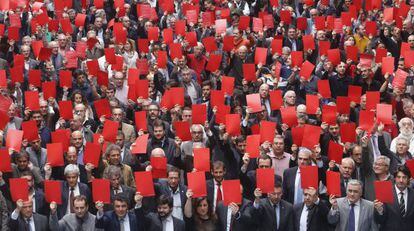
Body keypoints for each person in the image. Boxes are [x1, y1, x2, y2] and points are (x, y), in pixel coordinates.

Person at [374, 165, 414, 231]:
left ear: (408, 179)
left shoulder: (413, 194)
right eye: (398, 177)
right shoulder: (385, 192)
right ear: (394, 178)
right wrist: (379, 211)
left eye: (404, 177)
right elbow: (379, 221)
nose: (401, 180)